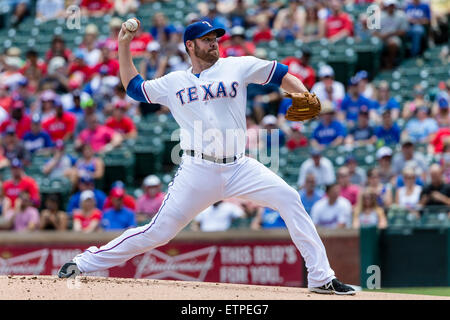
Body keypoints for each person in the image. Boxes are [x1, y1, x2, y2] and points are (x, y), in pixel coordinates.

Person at [58, 19, 355, 295]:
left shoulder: (237, 66)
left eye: (215, 38)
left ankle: (321, 278)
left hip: (239, 166)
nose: (213, 43)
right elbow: (135, 88)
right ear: (190, 45)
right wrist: (124, 45)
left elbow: (281, 74)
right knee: (158, 232)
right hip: (197, 169)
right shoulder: (174, 82)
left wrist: (303, 92)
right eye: (206, 39)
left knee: (290, 198)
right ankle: (83, 263)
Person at [372, 0, 409, 69]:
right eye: (389, 5)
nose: (391, 7)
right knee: (374, 44)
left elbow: (404, 31)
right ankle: (377, 66)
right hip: (380, 38)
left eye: (392, 5)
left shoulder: (401, 15)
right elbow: (374, 32)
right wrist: (381, 36)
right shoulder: (379, 16)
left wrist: (390, 34)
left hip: (394, 36)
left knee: (393, 43)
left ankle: (390, 64)